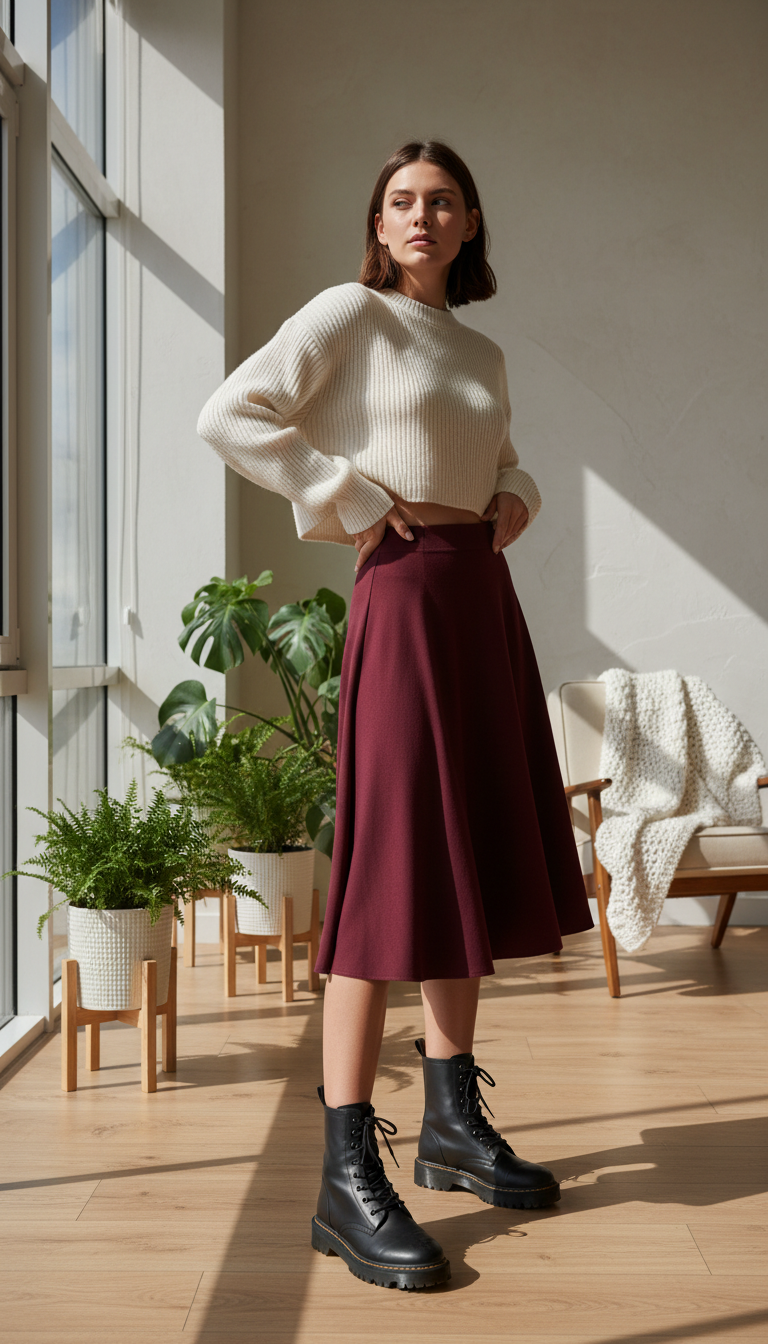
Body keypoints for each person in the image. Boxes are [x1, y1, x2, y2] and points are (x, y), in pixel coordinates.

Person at [197, 138, 592, 1291]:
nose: (421, 217)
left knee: (461, 854)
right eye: (402, 201)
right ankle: (344, 1172)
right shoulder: (348, 316)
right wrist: (348, 497)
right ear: (379, 224)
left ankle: (454, 1121)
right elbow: (233, 412)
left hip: (479, 598)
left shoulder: (477, 346)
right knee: (389, 875)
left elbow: (500, 452)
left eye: (443, 202)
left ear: (471, 225)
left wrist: (512, 497)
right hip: (407, 599)